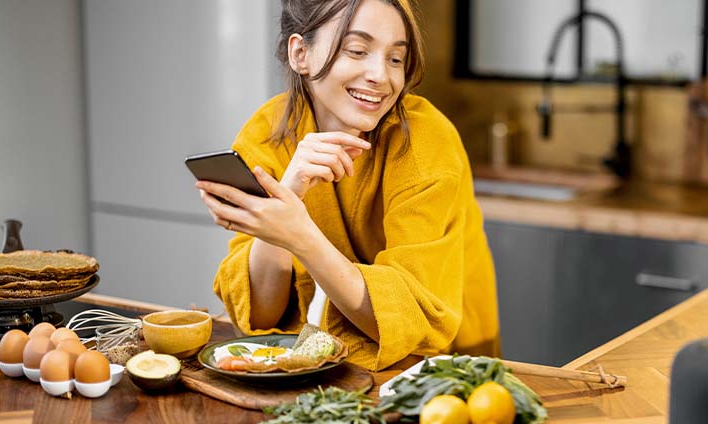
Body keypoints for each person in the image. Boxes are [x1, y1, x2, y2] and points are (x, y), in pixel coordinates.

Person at [197, 0, 500, 371]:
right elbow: (259, 316)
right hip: (324, 365)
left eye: (395, 59)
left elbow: (408, 321)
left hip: (439, 359)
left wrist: (300, 236)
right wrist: (285, 199)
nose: (380, 75)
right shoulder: (267, 134)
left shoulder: (424, 142)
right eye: (358, 51)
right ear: (301, 53)